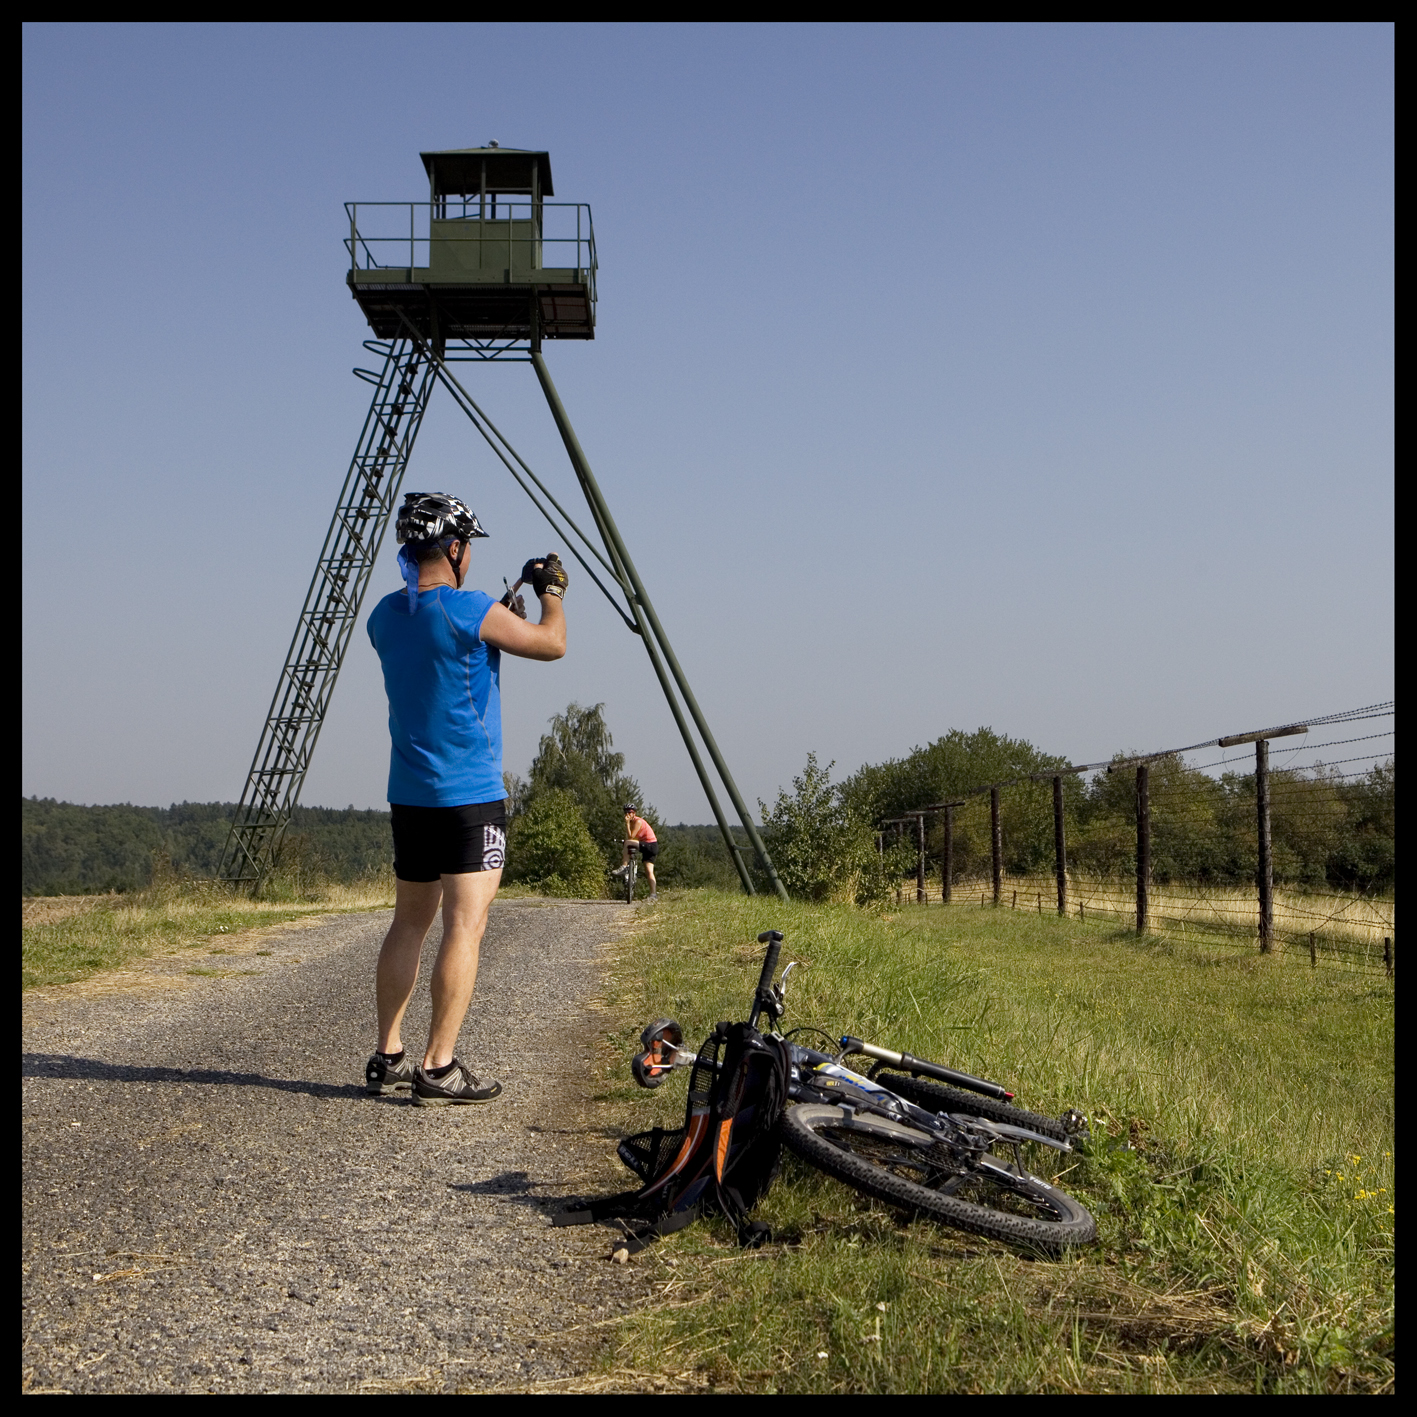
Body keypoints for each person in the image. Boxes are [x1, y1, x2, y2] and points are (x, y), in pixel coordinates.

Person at [363, 491, 568, 1106]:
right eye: (468, 546)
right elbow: (550, 643)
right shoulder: (471, 609)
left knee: (409, 924)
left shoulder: (382, 617)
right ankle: (439, 1065)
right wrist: (551, 591)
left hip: (411, 795)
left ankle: (389, 1053)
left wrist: (495, 613)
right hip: (469, 798)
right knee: (465, 926)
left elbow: (441, 642)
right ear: (454, 549)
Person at [620, 804, 659, 902]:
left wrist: (627, 824)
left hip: (650, 845)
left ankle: (624, 866)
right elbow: (631, 836)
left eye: (630, 812)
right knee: (649, 871)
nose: (627, 814)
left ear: (634, 813)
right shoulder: (633, 822)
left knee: (627, 842)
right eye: (626, 812)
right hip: (651, 845)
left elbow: (631, 837)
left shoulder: (638, 821)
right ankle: (653, 895)